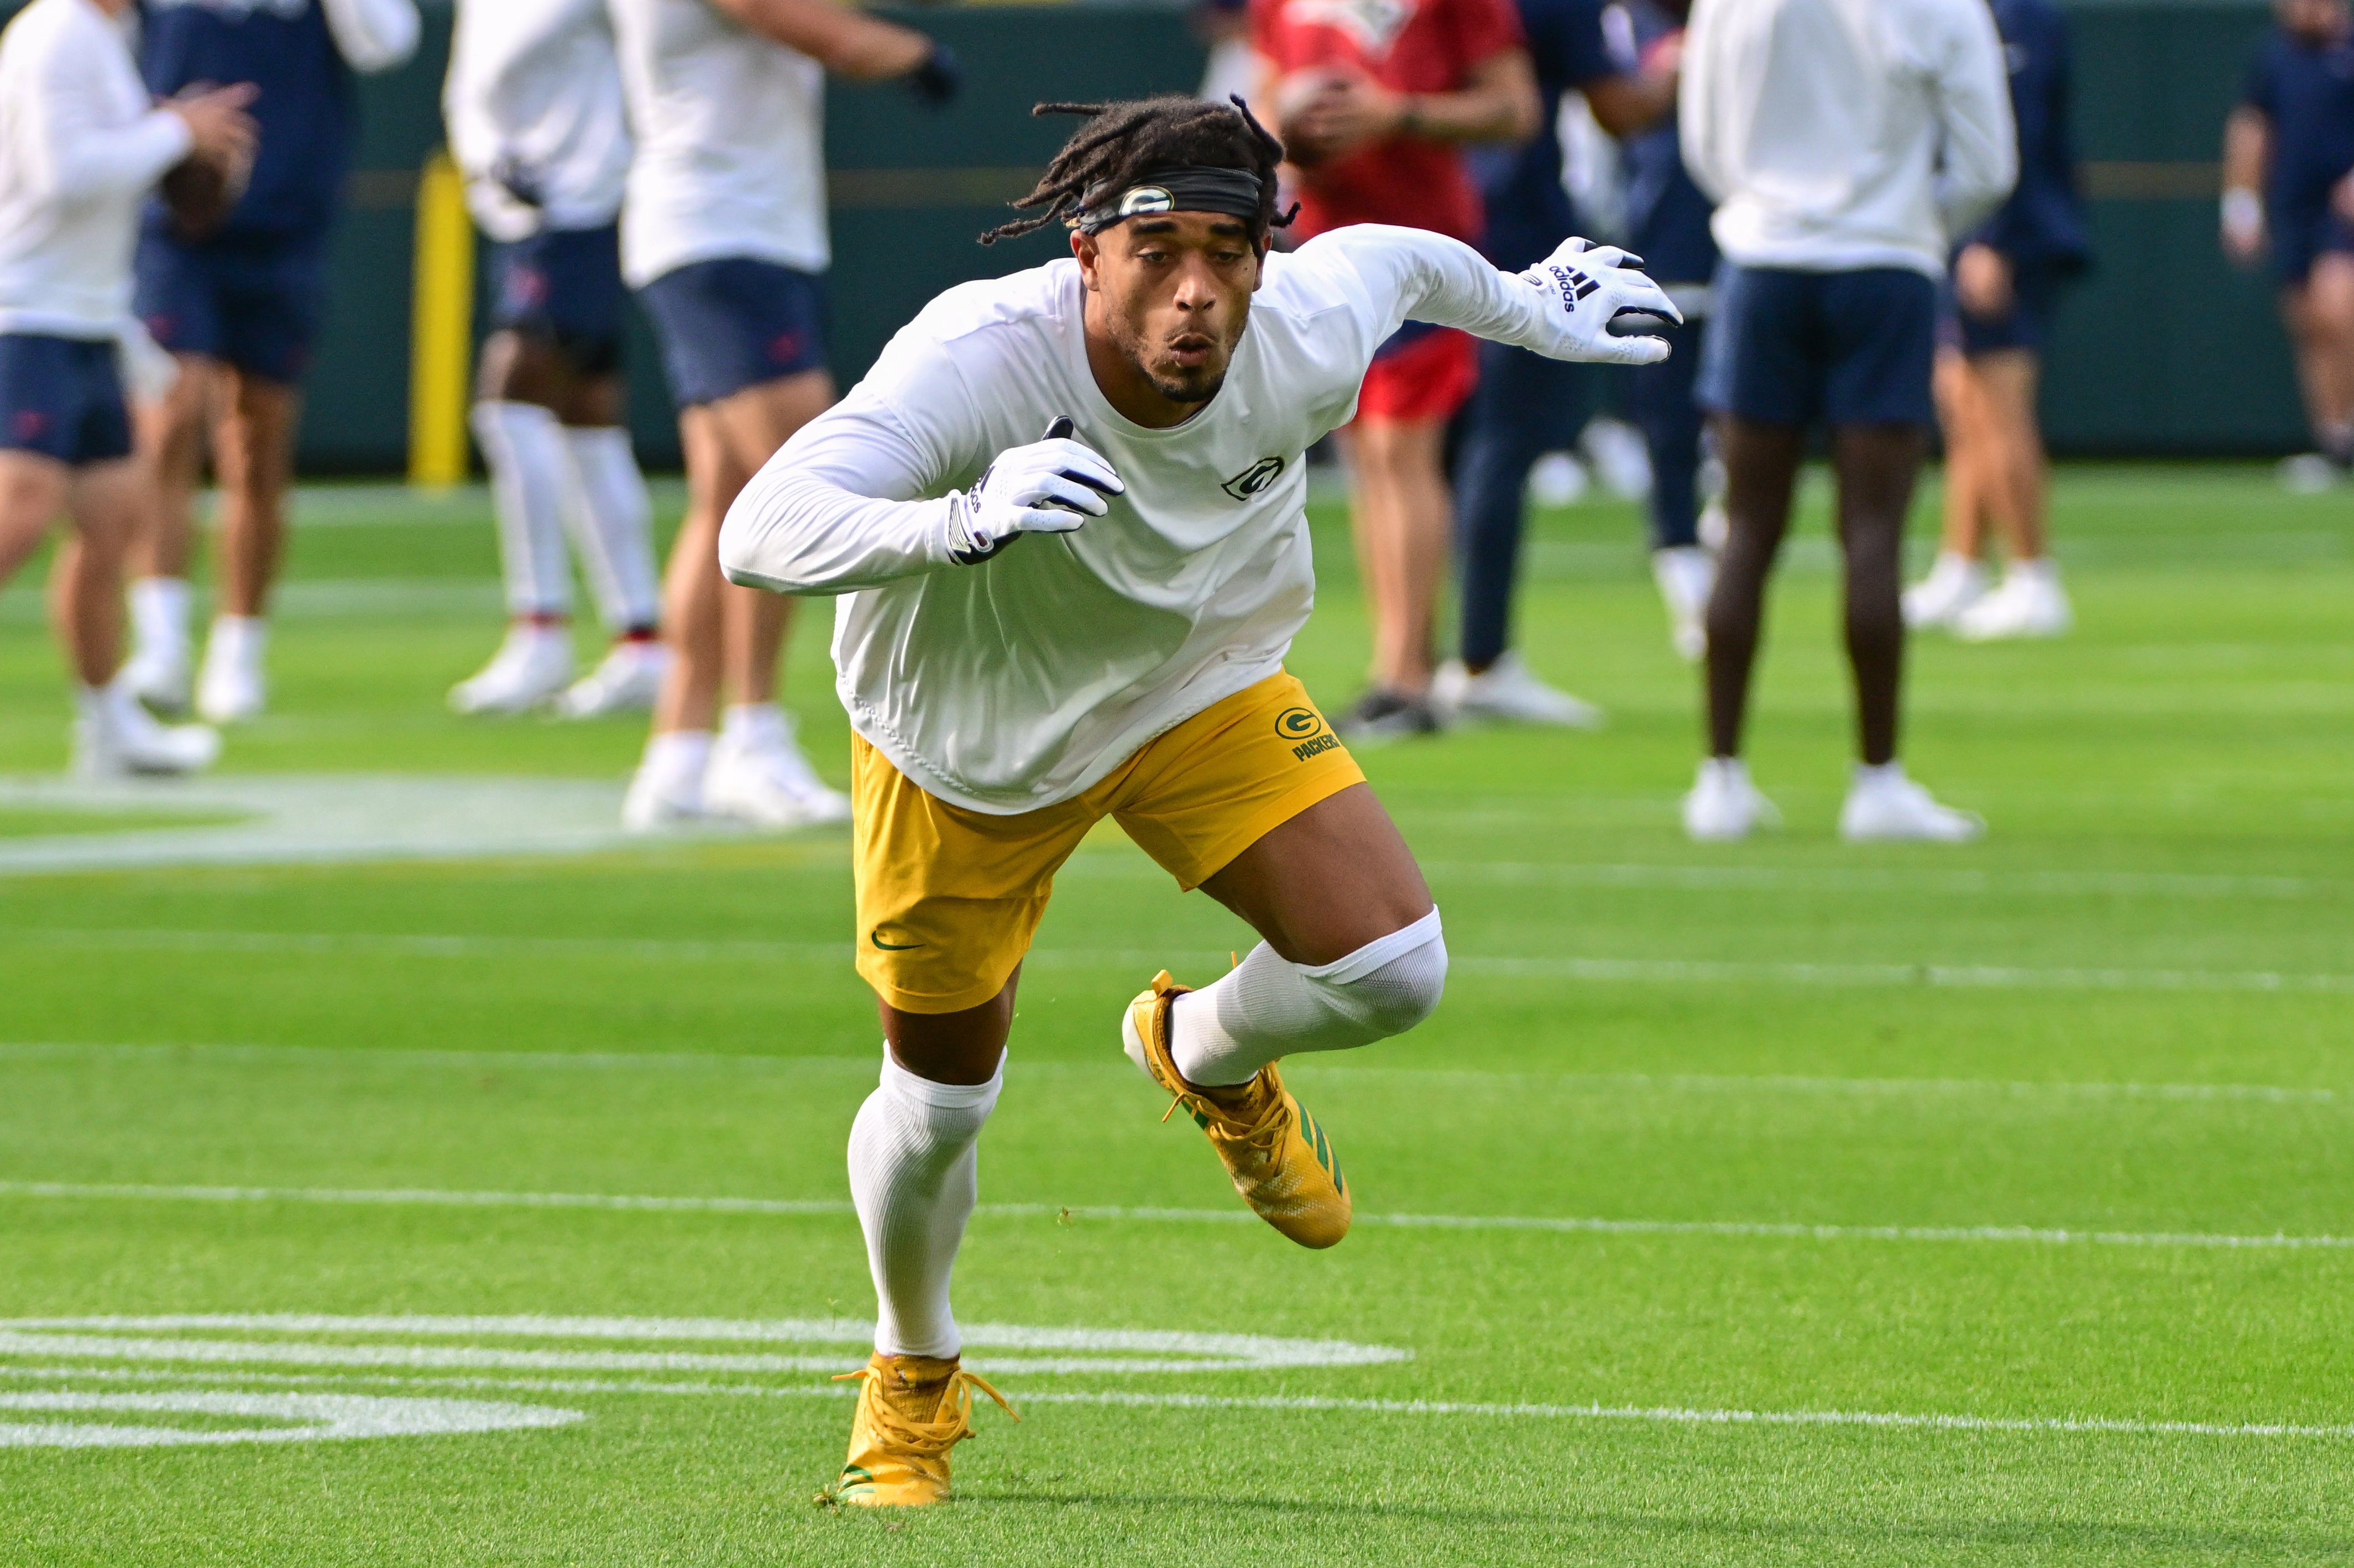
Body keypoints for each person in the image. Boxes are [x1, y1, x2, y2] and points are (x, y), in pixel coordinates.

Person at [718, 95, 1673, 1506]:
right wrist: (959, 520)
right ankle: (910, 1360)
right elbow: (757, 531)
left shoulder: (1301, 322)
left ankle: (1200, 1048)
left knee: (1393, 968)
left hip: (1192, 680)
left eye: (1229, 250)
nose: (1196, 289)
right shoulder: (980, 356)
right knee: (936, 1113)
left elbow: (1402, 259)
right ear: (1087, 252)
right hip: (970, 744)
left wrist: (1531, 308)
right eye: (1158, 249)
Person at [610, 0, 959, 830]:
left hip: (729, 233)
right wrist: (919, 54)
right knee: (809, 487)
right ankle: (754, 739)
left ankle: (679, 754)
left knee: (724, 500)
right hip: (724, 235)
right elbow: (828, 34)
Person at [1679, 0, 2013, 843]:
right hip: (1885, 270)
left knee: (1745, 529)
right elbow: (1987, 163)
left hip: (1764, 264)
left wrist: (1771, 210)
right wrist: (1909, 225)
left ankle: (1719, 780)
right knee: (1872, 532)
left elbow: (1705, 144)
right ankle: (1877, 782)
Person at [119, 0, 421, 725]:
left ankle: (239, 647)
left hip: (285, 221)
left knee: (258, 439)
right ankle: (159, 642)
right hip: (174, 219)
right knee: (170, 416)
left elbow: (388, 43)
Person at [1253, 0, 1542, 739]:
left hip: (1421, 250)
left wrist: (1397, 114)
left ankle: (1408, 674)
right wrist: (1282, 134)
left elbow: (1513, 109)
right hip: (1322, 248)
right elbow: (1263, 94)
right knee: (1366, 457)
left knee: (1401, 451)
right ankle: (1396, 668)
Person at [0, 0, 252, 776]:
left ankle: (108, 725)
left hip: (90, 315)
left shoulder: (113, 32)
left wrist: (173, 134)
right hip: (26, 310)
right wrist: (178, 133)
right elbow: (64, 174)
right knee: (19, 516)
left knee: (113, 518)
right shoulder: (56, 32)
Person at [1441, 0, 1677, 723]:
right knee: (1497, 444)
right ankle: (1478, 658)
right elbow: (1620, 107)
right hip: (1511, 229)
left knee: (1411, 452)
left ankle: (1409, 667)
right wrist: (1679, 63)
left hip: (1411, 218)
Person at [442, 0, 667, 718]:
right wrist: (482, 159)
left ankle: (539, 629)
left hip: (577, 197)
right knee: (587, 418)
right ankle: (641, 639)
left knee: (509, 401)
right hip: (519, 199)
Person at [1906, 0, 2089, 641]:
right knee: (1960, 396)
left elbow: (2017, 133)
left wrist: (1996, 238)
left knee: (1999, 401)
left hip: (2013, 237)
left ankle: (2033, 575)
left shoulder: (2024, 16)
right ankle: (1961, 566)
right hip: (1964, 231)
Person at [1615, 0, 1720, 663]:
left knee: (1750, 427)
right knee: (1669, 432)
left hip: (1751, 257)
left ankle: (1718, 550)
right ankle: (1686, 578)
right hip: (1657, 260)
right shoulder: (1617, 30)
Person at [2221, 0, 2354, 492]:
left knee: (2338, 307)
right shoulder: (2272, 55)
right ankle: (2335, 442)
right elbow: (2252, 129)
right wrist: (2241, 205)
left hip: (2343, 213)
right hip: (2293, 208)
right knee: (2309, 322)